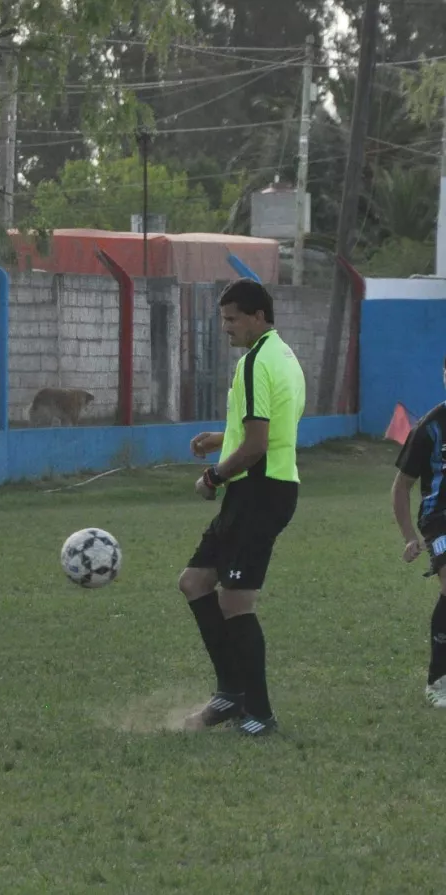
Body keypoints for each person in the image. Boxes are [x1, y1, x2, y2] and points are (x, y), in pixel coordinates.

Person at [178, 280, 305, 737]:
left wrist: (213, 476)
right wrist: (222, 437)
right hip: (261, 488)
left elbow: (256, 446)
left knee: (235, 602)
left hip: (260, 491)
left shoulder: (254, 362)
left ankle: (259, 714)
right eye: (224, 319)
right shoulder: (283, 355)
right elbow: (267, 427)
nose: (226, 327)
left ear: (258, 316)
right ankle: (231, 692)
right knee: (195, 582)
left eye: (232, 319)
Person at [391, 355, 446, 707]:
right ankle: (438, 681)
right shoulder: (429, 427)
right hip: (439, 519)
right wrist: (410, 536)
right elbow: (401, 487)